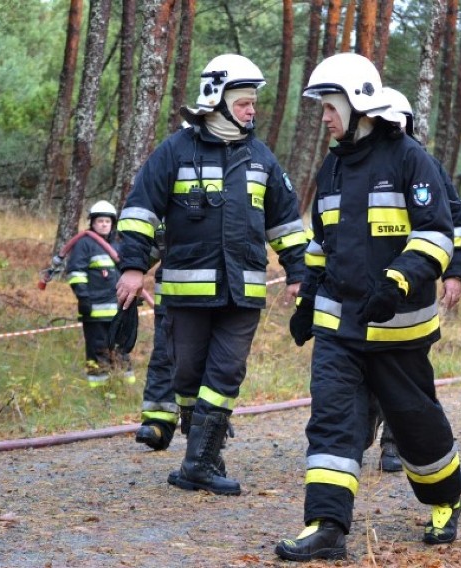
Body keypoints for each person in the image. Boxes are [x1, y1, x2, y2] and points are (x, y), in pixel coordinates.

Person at [275, 53, 461, 562]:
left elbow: (436, 235)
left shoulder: (409, 158)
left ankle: (445, 497)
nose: (324, 117)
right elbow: (323, 240)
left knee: (415, 424)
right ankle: (327, 525)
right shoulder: (333, 166)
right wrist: (310, 294)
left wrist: (398, 281)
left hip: (399, 328)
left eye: (329, 106)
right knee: (333, 420)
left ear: (358, 103)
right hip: (341, 326)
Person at [115, 53, 307, 494]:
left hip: (243, 292)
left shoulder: (261, 158)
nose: (252, 110)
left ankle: (199, 462)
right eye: (243, 103)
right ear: (217, 100)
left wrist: (298, 272)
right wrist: (132, 267)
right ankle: (201, 445)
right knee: (187, 375)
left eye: (253, 103)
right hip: (186, 293)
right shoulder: (174, 151)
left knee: (225, 372)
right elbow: (140, 212)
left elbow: (286, 223)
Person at [368, 86, 461, 473]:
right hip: (369, 295)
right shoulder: (361, 165)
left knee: (407, 377)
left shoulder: (424, 166)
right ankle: (367, 426)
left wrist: (455, 273)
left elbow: (453, 224)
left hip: (413, 297)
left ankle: (394, 445)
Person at [67, 200, 132, 387]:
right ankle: (98, 387)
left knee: (121, 348)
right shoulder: (84, 244)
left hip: (119, 311)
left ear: (112, 223)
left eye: (107, 221)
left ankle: (126, 386)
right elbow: (76, 273)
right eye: (100, 221)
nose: (104, 224)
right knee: (98, 349)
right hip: (94, 311)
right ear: (92, 223)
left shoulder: (119, 245)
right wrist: (83, 298)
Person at [134, 225, 178, 451]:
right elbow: (154, 245)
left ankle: (209, 428)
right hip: (171, 298)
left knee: (211, 365)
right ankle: (158, 423)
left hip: (219, 301)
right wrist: (130, 269)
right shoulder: (170, 195)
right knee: (163, 358)